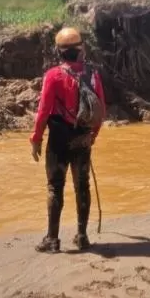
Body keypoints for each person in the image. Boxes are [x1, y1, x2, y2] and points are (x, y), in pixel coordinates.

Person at [29, 27, 106, 254]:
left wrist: (36, 139)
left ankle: (52, 240)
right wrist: (93, 135)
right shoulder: (93, 75)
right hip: (83, 136)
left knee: (55, 187)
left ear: (58, 51)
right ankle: (82, 237)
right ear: (81, 49)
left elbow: (43, 112)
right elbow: (100, 109)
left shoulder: (53, 75)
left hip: (59, 138)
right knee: (82, 186)